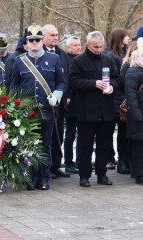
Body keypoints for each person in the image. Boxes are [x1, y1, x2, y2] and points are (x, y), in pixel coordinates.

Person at [8, 23, 66, 190]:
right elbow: (13, 88)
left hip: (47, 111)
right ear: (26, 42)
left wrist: (56, 95)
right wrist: (15, 109)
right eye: (31, 40)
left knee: (45, 145)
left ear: (42, 41)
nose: (34, 43)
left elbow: (62, 82)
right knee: (28, 146)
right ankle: (30, 177)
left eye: (37, 40)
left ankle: (44, 178)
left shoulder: (54, 59)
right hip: (27, 113)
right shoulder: (18, 61)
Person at [69, 31, 120, 187]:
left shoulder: (108, 60)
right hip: (87, 110)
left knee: (104, 145)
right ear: (87, 45)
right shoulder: (78, 61)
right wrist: (93, 84)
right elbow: (73, 82)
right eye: (95, 47)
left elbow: (117, 78)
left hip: (106, 111)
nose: (98, 49)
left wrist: (112, 86)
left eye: (100, 46)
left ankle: (101, 174)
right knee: (85, 146)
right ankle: (84, 176)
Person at [42, 24, 70, 178]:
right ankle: (46, 167)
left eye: (57, 35)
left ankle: (56, 165)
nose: (55, 38)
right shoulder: (39, 54)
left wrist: (68, 95)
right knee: (48, 136)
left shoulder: (62, 54)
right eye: (52, 35)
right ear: (44, 37)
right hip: (45, 103)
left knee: (59, 133)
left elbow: (67, 77)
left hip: (61, 102)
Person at [103, 28, 130, 172]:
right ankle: (109, 158)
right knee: (108, 131)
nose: (128, 39)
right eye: (126, 37)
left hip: (124, 99)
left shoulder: (127, 54)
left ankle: (123, 159)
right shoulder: (109, 56)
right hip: (112, 98)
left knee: (123, 132)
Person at [124, 37, 143, 185]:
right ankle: (139, 174)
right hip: (139, 116)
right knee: (138, 146)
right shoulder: (133, 72)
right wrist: (137, 115)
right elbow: (131, 96)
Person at [64, 36, 82, 174]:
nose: (78, 47)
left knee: (82, 134)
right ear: (68, 47)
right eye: (75, 45)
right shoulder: (65, 60)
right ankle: (69, 162)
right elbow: (66, 80)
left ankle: (80, 161)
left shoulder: (81, 60)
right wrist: (67, 96)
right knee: (70, 134)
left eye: (79, 45)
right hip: (71, 102)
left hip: (82, 102)